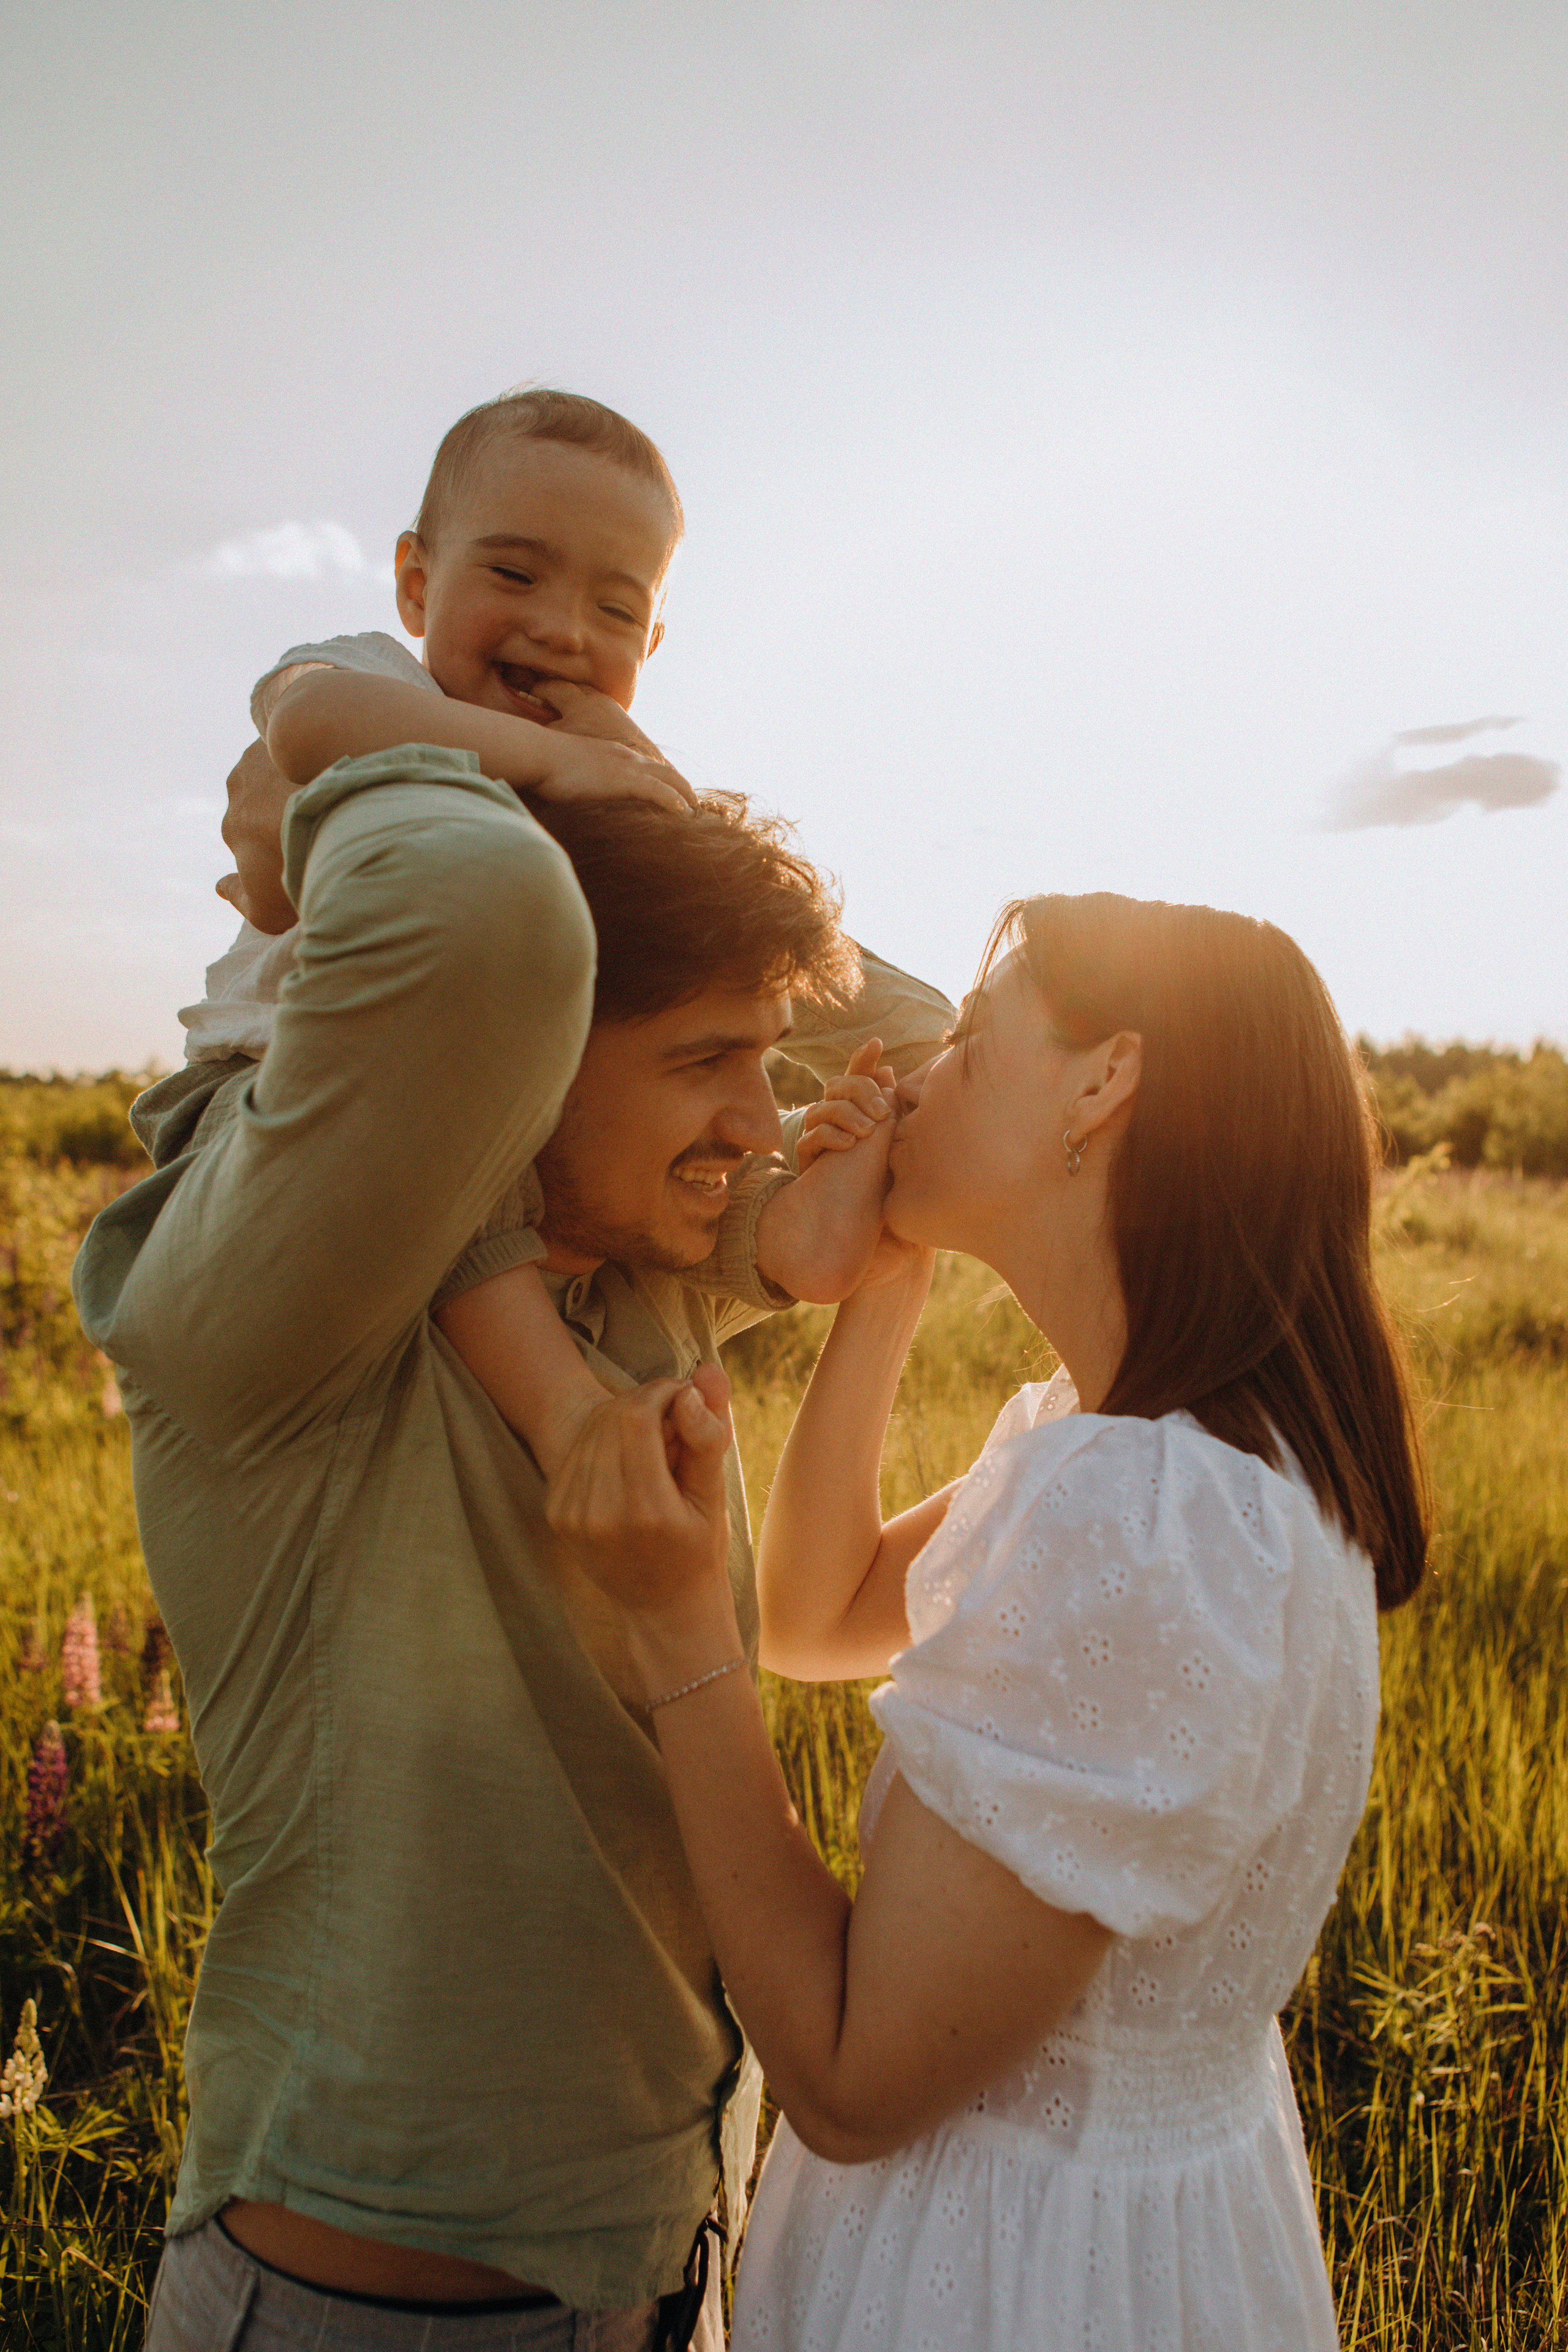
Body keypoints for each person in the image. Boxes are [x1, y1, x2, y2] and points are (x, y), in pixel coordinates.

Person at [72, 747, 946, 2351]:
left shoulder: (645, 1279)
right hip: (372, 2312)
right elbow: (481, 915)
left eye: (770, 1056)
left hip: (668, 2265)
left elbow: (931, 1047)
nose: (767, 1121)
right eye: (711, 1060)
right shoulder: (275, 1312)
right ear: (516, 1057)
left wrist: (630, 779)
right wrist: (427, 749)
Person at [545, 890, 1431, 2351]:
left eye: (965, 1041)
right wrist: (884, 1279)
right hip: (1140, 2235)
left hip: (1019, 2281)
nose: (907, 1080)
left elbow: (843, 2078)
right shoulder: (1157, 1446)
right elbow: (819, 1616)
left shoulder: (1143, 1516)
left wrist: (665, 1630)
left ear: (1102, 1081)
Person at [181, 385, 943, 1486]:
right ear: (413, 582)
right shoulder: (381, 679)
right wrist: (557, 766)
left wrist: (656, 798)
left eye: (616, 612)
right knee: (484, 1148)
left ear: (657, 638)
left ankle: (786, 1235)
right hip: (269, 1107)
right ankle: (571, 1422)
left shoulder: (605, 775)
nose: (560, 631)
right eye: (513, 574)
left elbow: (754, 958)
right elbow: (306, 728)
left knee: (607, 1143)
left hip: (477, 1107)